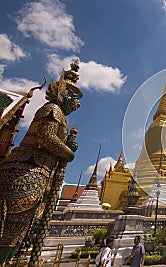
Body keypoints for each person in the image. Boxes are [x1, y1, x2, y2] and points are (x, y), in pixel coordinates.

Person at [0, 60, 82, 264]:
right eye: (73, 99)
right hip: (26, 169)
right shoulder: (52, 109)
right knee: (9, 229)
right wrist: (67, 153)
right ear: (63, 94)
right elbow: (46, 138)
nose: (76, 105)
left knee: (16, 233)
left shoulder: (61, 116)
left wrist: (67, 147)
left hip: (38, 171)